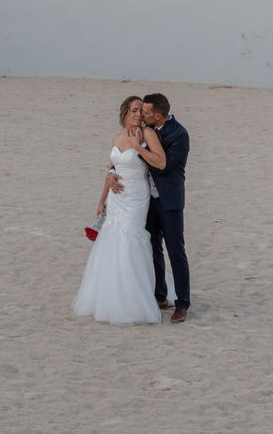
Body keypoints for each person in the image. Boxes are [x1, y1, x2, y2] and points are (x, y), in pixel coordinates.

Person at [72, 96, 166, 324]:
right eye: (134, 110)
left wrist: (137, 147)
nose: (138, 115)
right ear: (125, 112)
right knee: (112, 238)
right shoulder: (116, 137)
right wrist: (101, 199)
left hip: (136, 196)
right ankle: (111, 294)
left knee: (130, 238)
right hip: (116, 198)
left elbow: (160, 161)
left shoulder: (148, 134)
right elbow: (113, 168)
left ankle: (135, 299)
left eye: (140, 111)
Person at [108, 93, 191, 323]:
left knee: (176, 250)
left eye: (145, 113)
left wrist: (138, 148)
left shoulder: (179, 135)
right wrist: (112, 173)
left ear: (157, 115)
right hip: (146, 199)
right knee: (152, 246)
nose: (141, 116)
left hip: (169, 200)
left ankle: (183, 304)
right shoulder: (145, 130)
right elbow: (119, 161)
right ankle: (160, 295)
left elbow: (162, 166)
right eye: (139, 111)